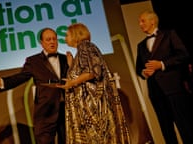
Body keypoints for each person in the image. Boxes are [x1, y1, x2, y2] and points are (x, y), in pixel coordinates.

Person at [0, 28, 69, 144]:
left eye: (54, 39)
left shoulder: (65, 59)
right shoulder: (34, 61)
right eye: (48, 39)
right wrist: (2, 82)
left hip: (67, 112)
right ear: (42, 43)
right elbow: (20, 77)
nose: (52, 42)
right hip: (45, 113)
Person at [57, 23, 131, 144]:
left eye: (67, 35)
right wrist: (72, 65)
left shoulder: (86, 47)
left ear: (76, 34)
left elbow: (93, 72)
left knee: (99, 138)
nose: (65, 38)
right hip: (87, 108)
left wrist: (72, 83)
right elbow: (83, 73)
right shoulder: (81, 50)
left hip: (94, 108)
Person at [136, 10, 193, 144]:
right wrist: (144, 72)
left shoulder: (169, 35)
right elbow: (138, 68)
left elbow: (183, 55)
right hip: (156, 93)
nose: (140, 24)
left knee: (185, 127)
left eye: (142, 21)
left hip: (173, 90)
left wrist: (161, 64)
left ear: (153, 21)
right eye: (139, 21)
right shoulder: (141, 45)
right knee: (166, 130)